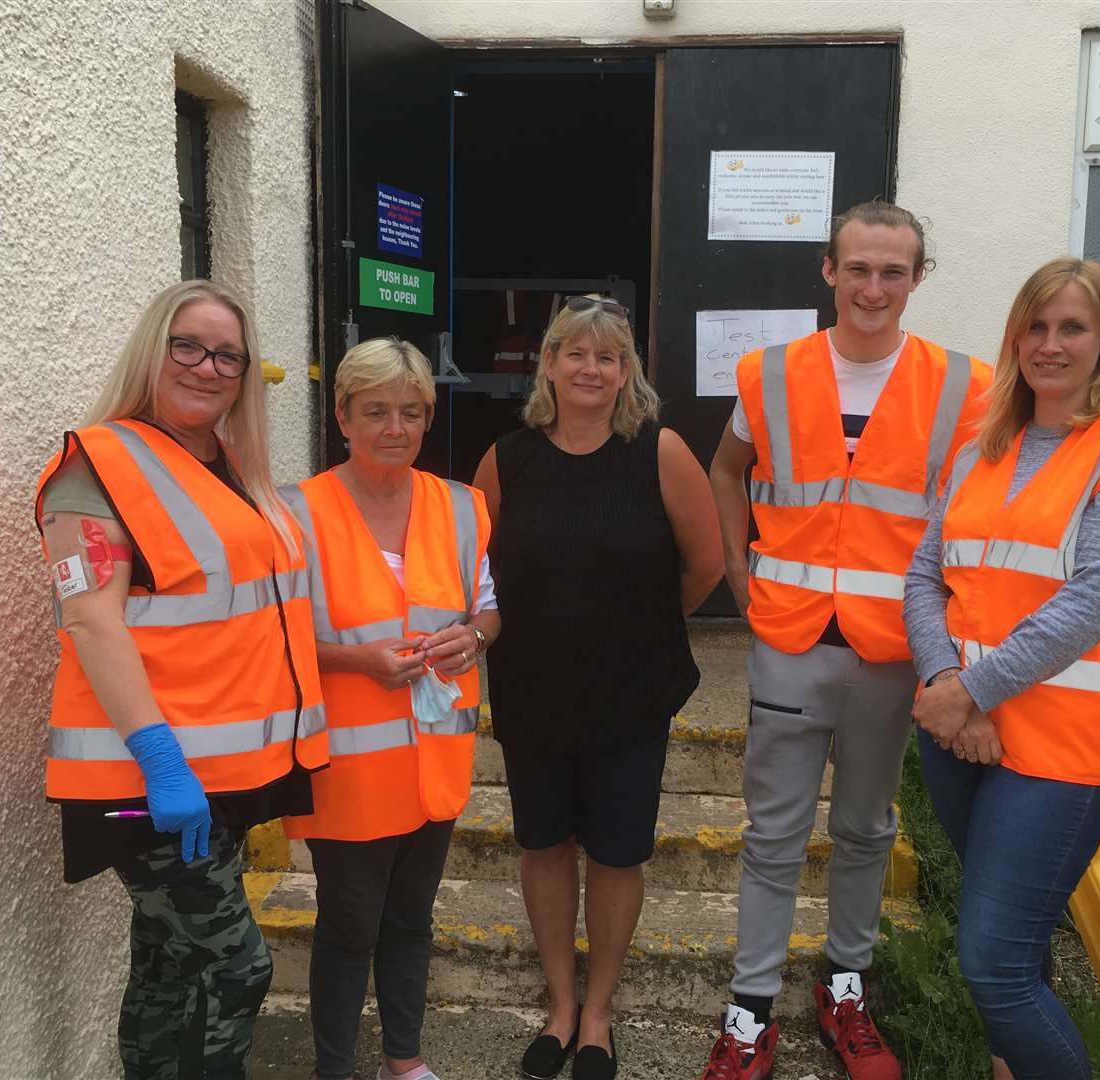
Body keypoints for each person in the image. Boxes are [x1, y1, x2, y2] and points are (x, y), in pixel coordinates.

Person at [703, 201, 994, 1080]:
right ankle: (749, 1011)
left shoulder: (964, 385)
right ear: (828, 272)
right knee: (774, 832)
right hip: (790, 637)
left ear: (916, 279)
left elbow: (975, 517)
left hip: (895, 646)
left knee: (867, 829)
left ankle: (846, 988)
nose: (874, 288)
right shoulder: (769, 371)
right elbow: (726, 467)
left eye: (893, 272)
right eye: (858, 269)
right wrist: (738, 573)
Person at [903, 258, 1100, 1080]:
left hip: (1059, 750)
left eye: (1071, 327)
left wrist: (968, 692)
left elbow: (1095, 601)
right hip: (960, 733)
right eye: (1034, 327)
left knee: (993, 962)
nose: (1050, 344)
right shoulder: (980, 447)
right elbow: (928, 572)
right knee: (1019, 939)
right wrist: (940, 687)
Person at [35, 279, 329, 1078]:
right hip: (147, 774)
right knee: (238, 969)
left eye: (227, 355)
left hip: (220, 773)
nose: (207, 366)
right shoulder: (95, 466)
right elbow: (92, 619)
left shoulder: (230, 467)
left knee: (169, 966)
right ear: (153, 350)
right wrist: (161, 758)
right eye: (188, 346)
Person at [473, 294, 723, 1080]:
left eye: (608, 357)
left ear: (626, 373)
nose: (591, 368)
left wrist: (638, 626)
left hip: (630, 693)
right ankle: (558, 1004)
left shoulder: (661, 451)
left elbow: (707, 566)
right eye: (574, 353)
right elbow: (478, 573)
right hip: (533, 689)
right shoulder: (505, 459)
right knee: (543, 846)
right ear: (547, 363)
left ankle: (600, 1014)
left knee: (616, 854)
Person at [281, 337, 500, 1080]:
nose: (394, 428)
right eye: (375, 411)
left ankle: (403, 1064)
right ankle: (335, 1069)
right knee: (348, 926)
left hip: (435, 755)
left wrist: (472, 638)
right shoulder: (295, 514)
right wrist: (357, 662)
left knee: (411, 920)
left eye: (411, 412)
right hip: (346, 764)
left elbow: (489, 609)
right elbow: (273, 638)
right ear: (341, 415)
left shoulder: (463, 508)